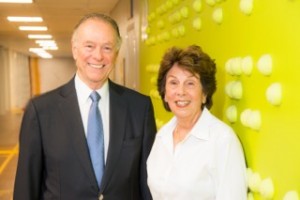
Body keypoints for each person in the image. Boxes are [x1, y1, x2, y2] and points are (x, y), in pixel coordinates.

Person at [13, 13, 157, 200]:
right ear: (74, 50)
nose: (98, 56)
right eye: (89, 46)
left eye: (107, 47)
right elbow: (26, 188)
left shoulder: (140, 108)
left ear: (116, 53)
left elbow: (148, 183)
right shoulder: (40, 111)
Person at [147, 45, 247, 200]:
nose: (181, 92)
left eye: (190, 83)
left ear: (204, 93)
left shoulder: (222, 140)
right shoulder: (162, 136)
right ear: (165, 93)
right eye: (173, 83)